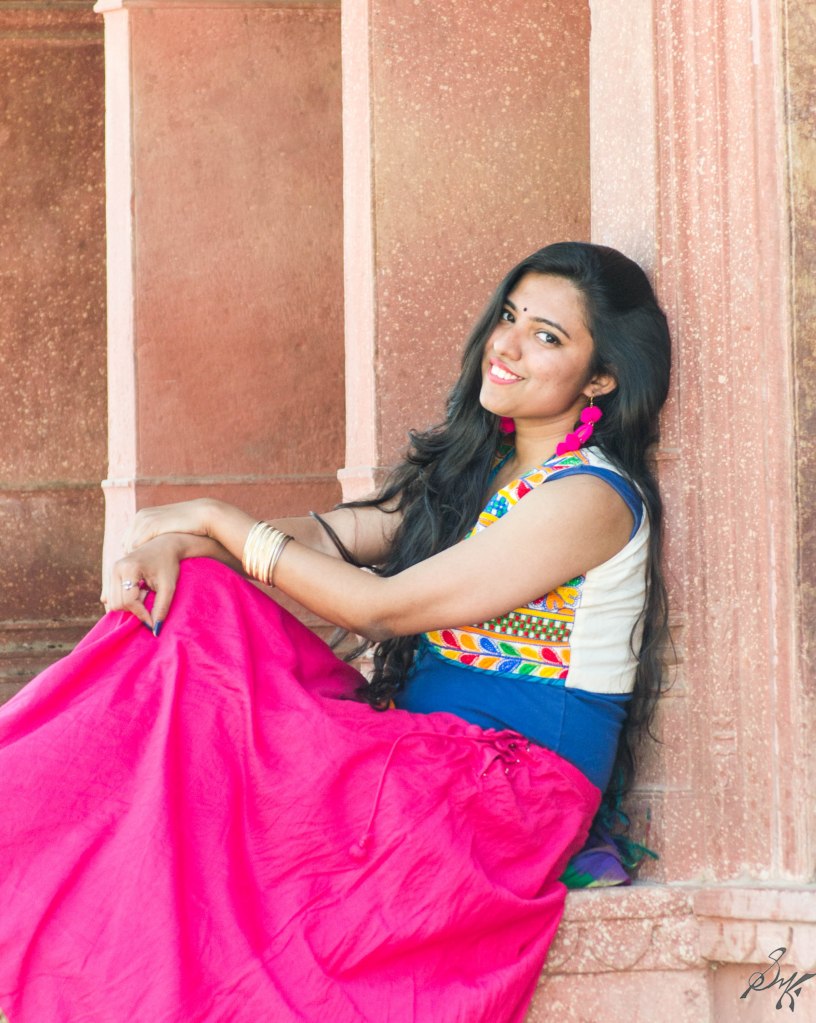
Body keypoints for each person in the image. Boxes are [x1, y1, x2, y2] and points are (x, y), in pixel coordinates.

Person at [0, 241, 671, 1023]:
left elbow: (377, 610)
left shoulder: (590, 495)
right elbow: (329, 537)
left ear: (602, 376)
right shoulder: (477, 469)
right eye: (510, 317)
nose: (509, 344)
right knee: (200, 602)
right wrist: (188, 545)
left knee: (218, 765)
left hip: (504, 792)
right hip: (423, 746)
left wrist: (219, 517)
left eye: (547, 336)